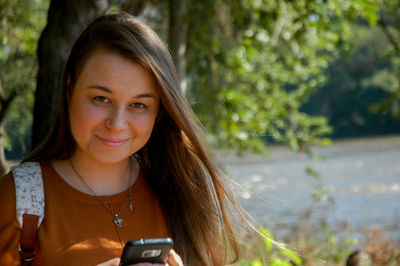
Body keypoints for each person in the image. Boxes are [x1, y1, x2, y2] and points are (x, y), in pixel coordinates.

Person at [0, 12, 246, 265]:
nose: (117, 124)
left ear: (159, 110)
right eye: (101, 99)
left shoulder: (179, 195)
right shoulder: (17, 199)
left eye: (138, 105)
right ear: (69, 89)